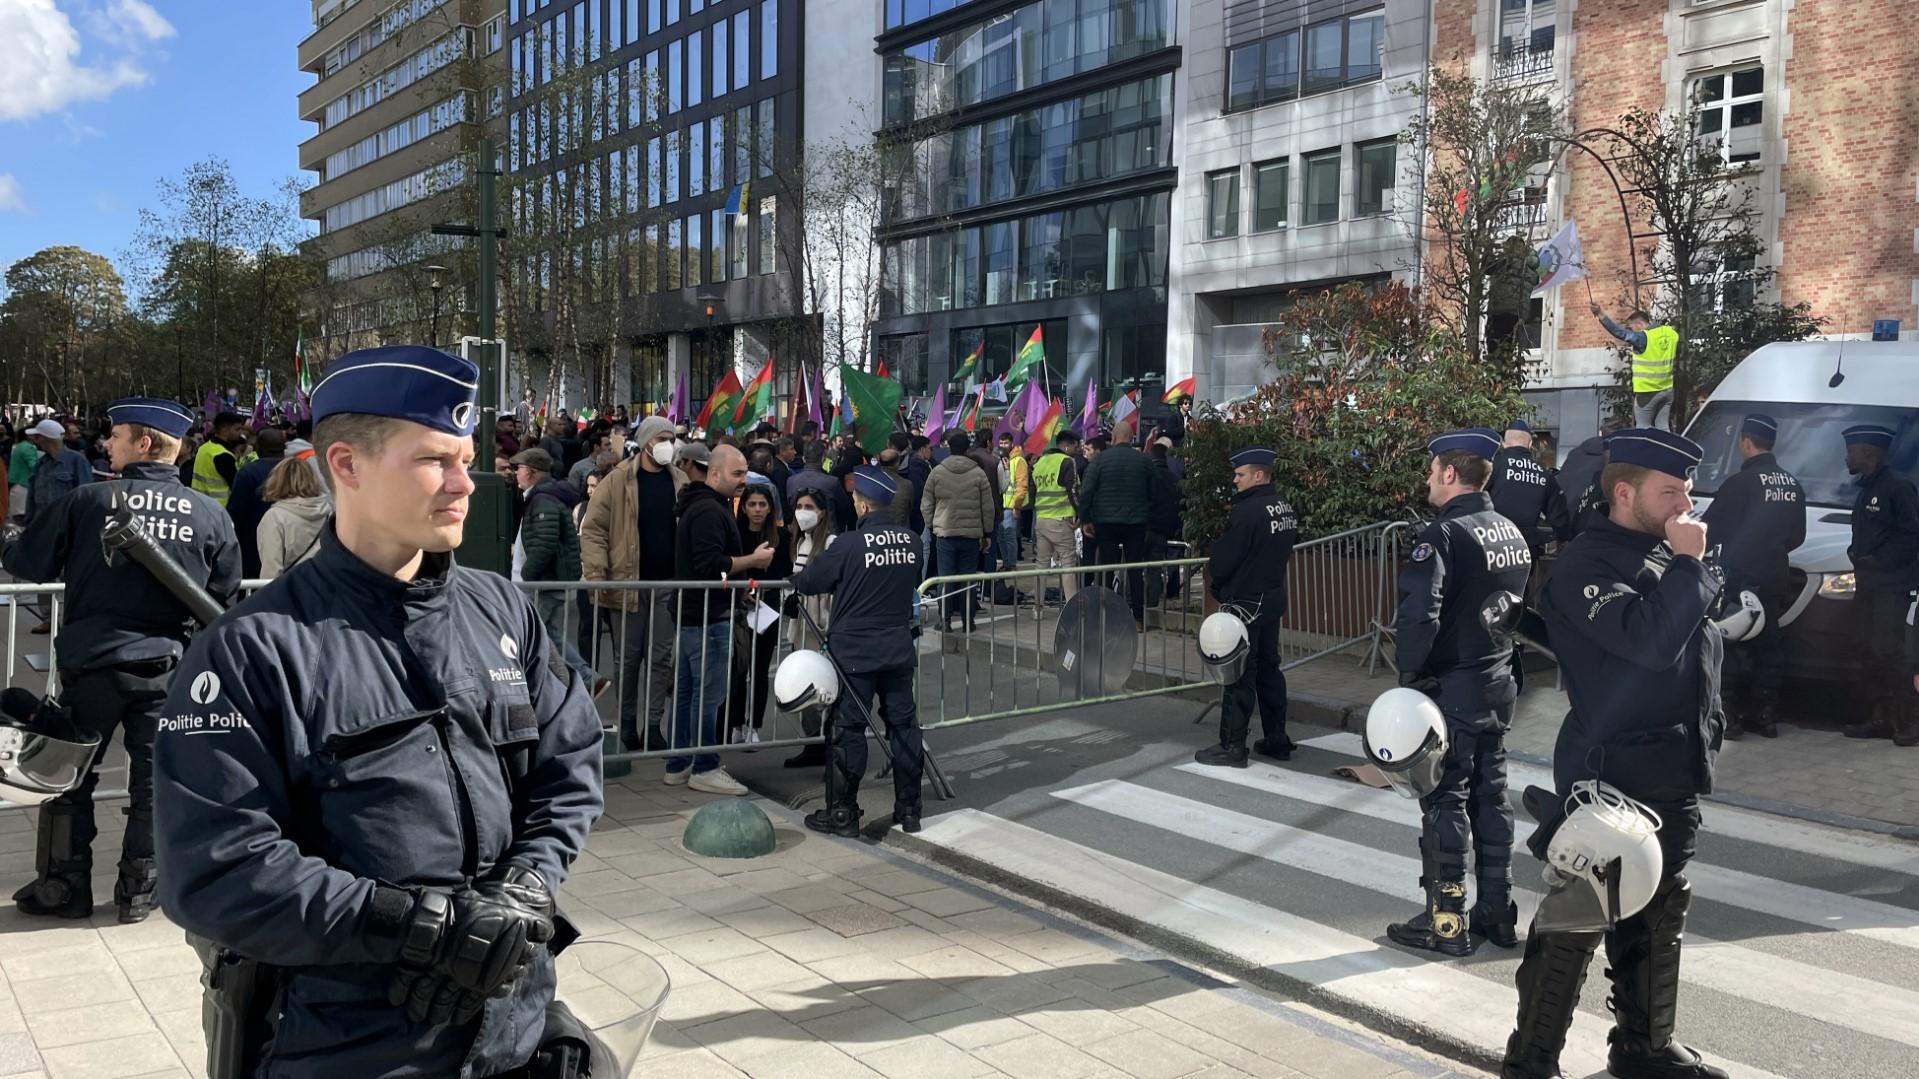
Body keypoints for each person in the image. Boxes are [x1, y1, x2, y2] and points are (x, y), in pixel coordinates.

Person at [151, 345, 605, 1077]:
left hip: (514, 1030)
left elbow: (569, 762)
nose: (466, 483)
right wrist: (414, 925)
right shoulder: (251, 650)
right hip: (349, 1044)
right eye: (435, 460)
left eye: (465, 456)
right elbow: (215, 869)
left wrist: (527, 883)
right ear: (346, 465)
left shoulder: (500, 608)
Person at [1503, 427, 1727, 1079]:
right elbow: (1651, 643)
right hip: (1612, 773)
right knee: (1577, 918)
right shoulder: (1590, 564)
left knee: (1658, 915)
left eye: (1685, 487)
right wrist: (1689, 565)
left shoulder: (1661, 551)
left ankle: (1644, 1046)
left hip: (1670, 767)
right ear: (1624, 492)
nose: (1684, 500)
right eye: (1669, 489)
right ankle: (1531, 1060)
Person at [1, 398, 241, 922]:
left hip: (92, 665)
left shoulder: (89, 500)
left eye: (115, 435)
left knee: (67, 778)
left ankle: (64, 888)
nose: (106, 443)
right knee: (156, 783)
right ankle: (140, 892)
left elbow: (25, 561)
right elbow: (221, 594)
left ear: (145, 443)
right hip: (167, 667)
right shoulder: (210, 514)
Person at [1385, 429, 1533, 958]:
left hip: (1453, 685)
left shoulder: (1443, 536)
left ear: (1450, 474)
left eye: (1432, 470)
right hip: (1498, 682)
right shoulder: (1510, 531)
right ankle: (1497, 912)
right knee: (1491, 798)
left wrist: (1411, 678)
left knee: (1445, 798)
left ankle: (1445, 924)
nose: (1428, 478)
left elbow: (1420, 612)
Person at [792, 466, 925, 836]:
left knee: (847, 729)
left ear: (863, 506)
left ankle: (843, 813)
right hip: (897, 648)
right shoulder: (912, 541)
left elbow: (811, 580)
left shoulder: (849, 545)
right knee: (904, 727)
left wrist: (794, 581)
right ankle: (910, 809)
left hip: (854, 655)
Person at [668, 443, 771, 794]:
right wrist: (753, 561)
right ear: (714, 473)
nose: (743, 480)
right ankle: (704, 765)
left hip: (696, 612)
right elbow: (712, 564)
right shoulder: (709, 511)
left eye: (744, 473)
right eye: (736, 473)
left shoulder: (703, 506)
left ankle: (680, 762)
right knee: (707, 694)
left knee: (688, 691)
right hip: (707, 615)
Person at [580, 415, 685, 753]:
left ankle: (654, 725)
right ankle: (627, 725)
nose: (668, 444)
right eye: (662, 438)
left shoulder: (680, 480)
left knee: (660, 658)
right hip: (627, 585)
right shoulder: (617, 480)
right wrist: (596, 572)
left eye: (672, 437)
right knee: (627, 659)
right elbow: (593, 528)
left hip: (667, 586)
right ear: (646, 442)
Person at [1698, 415, 1804, 739]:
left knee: (1730, 645)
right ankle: (1765, 715)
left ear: (1745, 442)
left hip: (1740, 575)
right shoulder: (1791, 484)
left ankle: (1729, 715)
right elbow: (1797, 536)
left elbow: (1710, 528)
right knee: (1770, 646)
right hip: (1775, 574)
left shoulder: (1739, 484)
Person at [1195, 447, 1298, 767]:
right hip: (1271, 596)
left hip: (1246, 602)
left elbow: (1225, 559)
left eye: (1240, 475)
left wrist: (1218, 585)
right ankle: (1276, 738)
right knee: (1269, 668)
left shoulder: (1247, 512)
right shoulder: (1283, 507)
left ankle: (1233, 745)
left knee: (1239, 674)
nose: (1235, 480)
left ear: (1258, 475)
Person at [1841, 423, 1919, 744]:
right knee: (1868, 651)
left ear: (1868, 453)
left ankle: (1910, 723)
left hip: (1892, 586)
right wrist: (1855, 552)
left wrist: (1879, 559)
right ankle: (1881, 717)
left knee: (1891, 653)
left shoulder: (1898, 488)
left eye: (1851, 452)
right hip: (1868, 585)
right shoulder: (1866, 489)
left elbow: (1911, 535)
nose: (1846, 458)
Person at [512, 447, 609, 698]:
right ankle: (568, 686)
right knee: (543, 635)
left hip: (543, 584)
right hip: (545, 582)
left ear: (531, 472)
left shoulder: (543, 500)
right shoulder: (543, 498)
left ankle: (584, 679)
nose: (516, 473)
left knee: (540, 636)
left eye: (519, 469)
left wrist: (527, 574)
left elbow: (544, 544)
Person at [726, 481, 792, 744]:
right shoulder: (734, 533)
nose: (756, 509)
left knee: (760, 669)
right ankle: (736, 724)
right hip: (740, 607)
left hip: (768, 608)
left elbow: (783, 569)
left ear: (770, 508)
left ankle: (755, 726)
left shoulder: (780, 536)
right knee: (738, 669)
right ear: (744, 507)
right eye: (752, 504)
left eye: (762, 504)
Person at [1079, 419, 1157, 625]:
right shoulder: (1144, 461)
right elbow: (1154, 493)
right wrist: (1146, 515)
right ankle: (1138, 618)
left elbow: (1086, 492)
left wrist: (1086, 518)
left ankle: (1106, 616)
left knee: (1106, 568)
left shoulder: (1100, 460)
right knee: (1134, 570)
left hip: (1105, 522)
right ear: (1132, 439)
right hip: (1136, 523)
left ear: (1112, 438)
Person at [783, 490, 836, 770]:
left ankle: (829, 746)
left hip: (821, 628)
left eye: (809, 507)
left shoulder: (830, 543)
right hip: (801, 626)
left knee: (823, 688)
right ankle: (811, 743)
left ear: (823, 512)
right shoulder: (800, 541)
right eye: (799, 506)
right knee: (804, 686)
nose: (803, 511)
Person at [922, 430, 995, 630]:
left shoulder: (937, 472)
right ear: (967, 449)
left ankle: (945, 622)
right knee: (968, 579)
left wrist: (932, 524)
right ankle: (968, 621)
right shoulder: (978, 473)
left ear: (949, 449)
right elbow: (987, 506)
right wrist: (987, 533)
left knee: (945, 579)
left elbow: (926, 504)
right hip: (971, 536)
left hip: (945, 534)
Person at [1485, 420, 1569, 552]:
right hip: (1526, 548)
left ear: (1503, 443)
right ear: (1530, 444)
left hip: (1492, 543)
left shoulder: (1492, 466)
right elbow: (1559, 519)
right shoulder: (1544, 474)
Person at [1591, 304, 1678, 431]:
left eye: (1631, 327)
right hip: (1667, 390)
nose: (1630, 331)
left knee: (1643, 428)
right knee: (1663, 428)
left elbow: (1619, 333)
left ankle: (1644, 451)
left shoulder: (1643, 337)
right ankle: (1667, 450)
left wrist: (1600, 314)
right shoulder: (1671, 334)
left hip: (1648, 391)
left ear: (1639, 324)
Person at [225, 427, 288, 578]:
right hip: (291, 548)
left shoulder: (248, 472)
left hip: (252, 548)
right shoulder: (298, 470)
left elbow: (235, 512)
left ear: (258, 448)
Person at [256, 455, 332, 578]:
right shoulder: (329, 514)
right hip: (324, 588)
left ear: (278, 481)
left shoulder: (275, 517)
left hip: (292, 590)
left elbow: (271, 569)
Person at [1031, 429, 1082, 605]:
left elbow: (1033, 493)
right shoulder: (1067, 462)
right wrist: (1080, 513)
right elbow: (1073, 490)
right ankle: (1071, 608)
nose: (1078, 449)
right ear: (1066, 446)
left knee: (1041, 566)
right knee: (1068, 564)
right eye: (1076, 446)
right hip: (1062, 521)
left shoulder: (1039, 463)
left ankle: (1037, 609)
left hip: (1041, 520)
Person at [23, 418, 92, 523]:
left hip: (65, 525)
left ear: (46, 438)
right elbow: (31, 497)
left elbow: (86, 495)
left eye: (37, 437)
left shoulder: (77, 460)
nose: (35, 441)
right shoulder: (41, 463)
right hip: (41, 525)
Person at [192, 411, 248, 506]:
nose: (241, 433)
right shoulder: (223, 455)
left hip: (199, 505)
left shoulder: (204, 448)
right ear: (224, 430)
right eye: (237, 429)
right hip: (219, 509)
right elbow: (238, 488)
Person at [8, 419, 40, 521]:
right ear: (29, 436)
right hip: (23, 485)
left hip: (16, 484)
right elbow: (34, 466)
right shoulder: (28, 448)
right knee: (22, 516)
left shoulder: (19, 446)